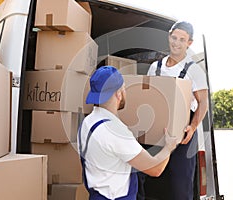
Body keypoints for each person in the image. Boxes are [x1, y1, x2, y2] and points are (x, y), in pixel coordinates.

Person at [78, 66, 179, 200]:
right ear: (118, 93)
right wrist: (169, 147)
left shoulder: (87, 123)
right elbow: (155, 169)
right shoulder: (116, 132)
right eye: (124, 88)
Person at [139, 21, 209, 200]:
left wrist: (192, 127)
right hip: (156, 129)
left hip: (183, 133)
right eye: (174, 37)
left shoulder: (194, 70)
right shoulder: (156, 67)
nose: (176, 43)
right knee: (147, 178)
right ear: (169, 36)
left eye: (182, 40)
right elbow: (148, 95)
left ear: (189, 43)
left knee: (180, 185)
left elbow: (203, 103)